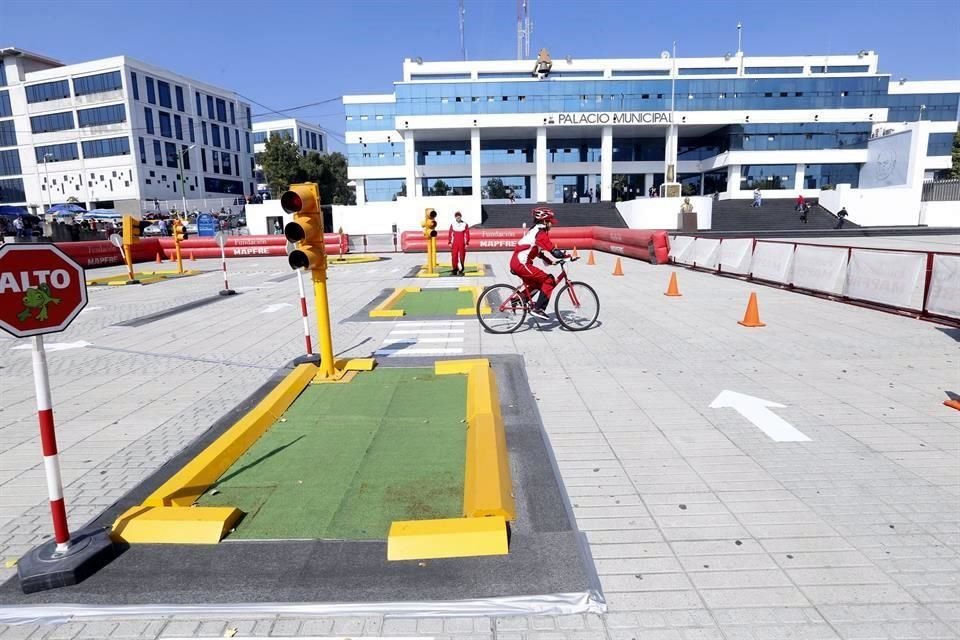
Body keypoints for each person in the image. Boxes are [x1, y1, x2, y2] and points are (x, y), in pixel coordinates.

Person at [510, 207, 569, 321]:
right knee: (549, 280)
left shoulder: (534, 230)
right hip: (521, 264)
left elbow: (537, 252)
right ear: (544, 221)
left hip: (518, 263)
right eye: (551, 222)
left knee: (538, 283)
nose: (552, 225)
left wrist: (550, 261)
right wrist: (566, 256)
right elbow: (553, 251)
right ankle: (538, 309)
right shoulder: (540, 233)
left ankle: (518, 299)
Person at [448, 211, 470, 276]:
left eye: (459, 216)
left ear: (461, 217)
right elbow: (450, 233)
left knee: (462, 256)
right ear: (455, 217)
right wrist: (449, 242)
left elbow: (467, 234)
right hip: (454, 243)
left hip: (462, 242)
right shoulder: (452, 224)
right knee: (454, 256)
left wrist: (467, 243)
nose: (458, 217)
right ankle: (455, 269)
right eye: (457, 216)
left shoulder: (465, 224)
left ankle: (461, 270)